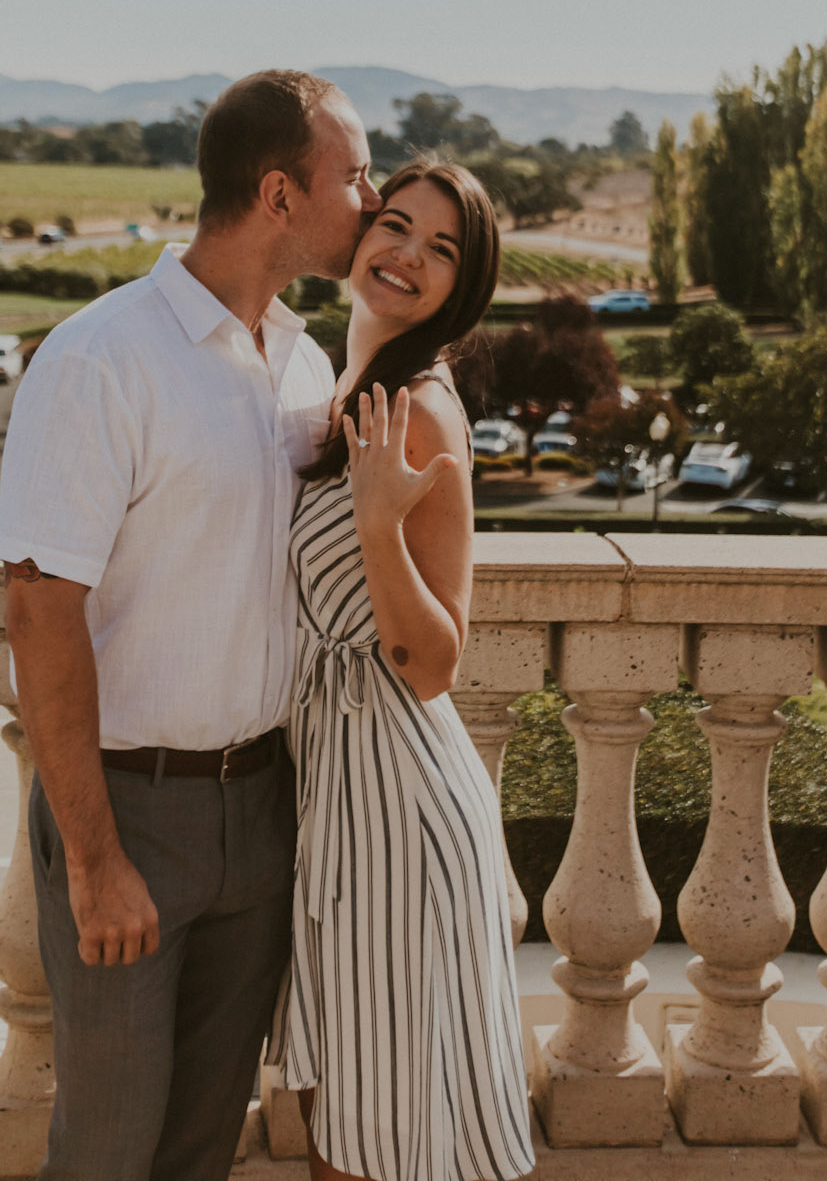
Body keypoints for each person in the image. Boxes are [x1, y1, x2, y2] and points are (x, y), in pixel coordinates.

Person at [0, 69, 382, 1181]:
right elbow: (38, 609)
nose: (371, 196)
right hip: (130, 812)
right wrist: (97, 854)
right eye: (352, 176)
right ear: (277, 194)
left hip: (262, 814)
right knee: (109, 1148)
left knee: (204, 1144)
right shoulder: (100, 358)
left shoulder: (305, 366)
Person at [271, 159, 535, 1181]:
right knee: (352, 1116)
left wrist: (380, 524)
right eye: (395, 224)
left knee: (382, 1145)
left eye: (442, 249)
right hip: (342, 789)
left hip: (399, 796)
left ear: (461, 289)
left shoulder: (420, 409)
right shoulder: (352, 385)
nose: (407, 255)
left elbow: (433, 660)